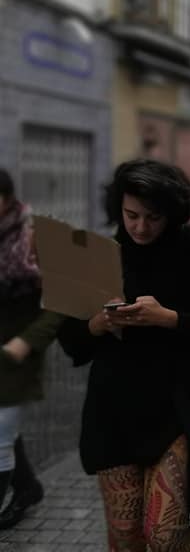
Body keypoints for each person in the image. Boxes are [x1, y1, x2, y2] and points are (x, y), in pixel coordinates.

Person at [59, 159, 190, 552]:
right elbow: (70, 340)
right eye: (131, 215)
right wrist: (97, 325)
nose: (140, 227)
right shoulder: (100, 254)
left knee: (164, 534)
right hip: (113, 412)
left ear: (171, 213)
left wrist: (167, 318)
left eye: (152, 217)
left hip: (176, 407)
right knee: (125, 535)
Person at [0, 170, 60, 530]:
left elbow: (58, 302)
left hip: (18, 353)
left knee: (0, 436)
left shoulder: (32, 237)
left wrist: (27, 343)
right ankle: (28, 486)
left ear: (7, 198)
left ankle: (21, 490)